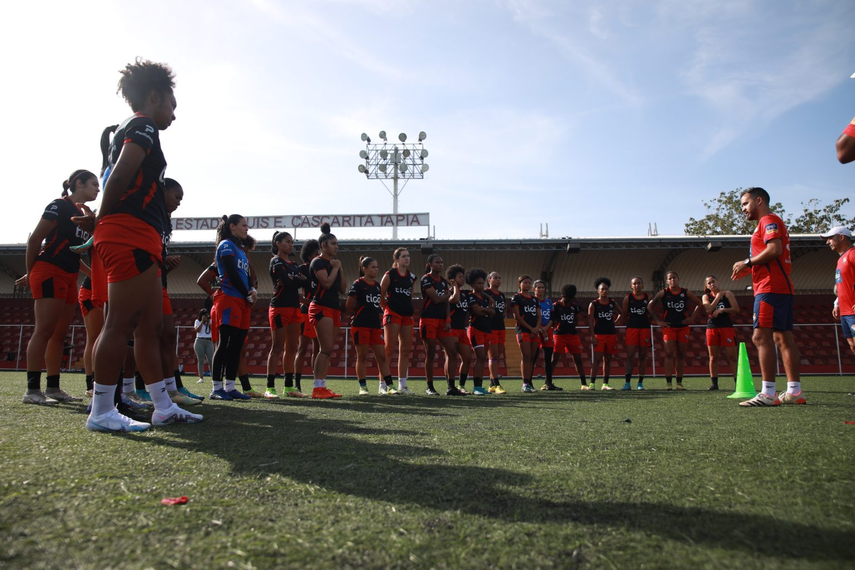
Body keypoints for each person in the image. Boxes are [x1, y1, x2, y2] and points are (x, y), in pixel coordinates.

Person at [78, 59, 201, 431]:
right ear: (153, 96)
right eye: (172, 105)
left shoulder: (133, 128)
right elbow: (123, 171)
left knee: (148, 329)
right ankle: (100, 411)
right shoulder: (143, 125)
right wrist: (101, 218)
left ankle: (162, 406)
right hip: (128, 232)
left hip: (139, 234)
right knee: (117, 326)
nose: (174, 115)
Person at [23, 169, 98, 405]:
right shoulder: (60, 205)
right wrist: (31, 271)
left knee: (58, 335)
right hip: (49, 271)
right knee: (44, 330)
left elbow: (74, 256)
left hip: (68, 276)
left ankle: (53, 388)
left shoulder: (84, 215)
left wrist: (96, 275)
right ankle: (32, 391)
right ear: (78, 183)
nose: (98, 188)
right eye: (93, 184)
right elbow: (35, 239)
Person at [731, 187, 804, 406]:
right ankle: (794, 391)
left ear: (759, 200)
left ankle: (768, 393)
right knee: (783, 338)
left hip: (769, 289)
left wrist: (748, 262)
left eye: (745, 204)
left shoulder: (768, 221)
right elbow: (771, 255)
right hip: (780, 287)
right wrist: (748, 267)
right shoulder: (769, 222)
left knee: (761, 338)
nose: (743, 209)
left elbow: (775, 249)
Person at [210, 214, 256, 401]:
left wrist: (251, 289)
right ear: (232, 226)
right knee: (225, 344)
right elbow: (231, 273)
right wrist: (247, 291)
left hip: (242, 301)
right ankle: (216, 388)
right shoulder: (226, 245)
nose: (247, 228)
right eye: (243, 225)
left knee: (237, 346)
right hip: (229, 298)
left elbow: (244, 275)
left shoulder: (240, 250)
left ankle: (230, 386)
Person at [265, 230, 307, 399]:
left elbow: (304, 281)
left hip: (294, 308)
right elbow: (291, 282)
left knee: (292, 347)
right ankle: (270, 387)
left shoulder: (293, 264)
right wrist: (298, 280)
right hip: (279, 307)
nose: (291, 244)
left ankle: (289, 387)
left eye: (292, 242)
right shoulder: (275, 261)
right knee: (277, 347)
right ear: (278, 243)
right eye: (287, 241)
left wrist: (297, 280)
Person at [346, 256, 395, 395]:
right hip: (360, 325)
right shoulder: (358, 284)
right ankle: (363, 387)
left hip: (375, 326)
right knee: (362, 356)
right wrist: (357, 313)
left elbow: (380, 303)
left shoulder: (378, 285)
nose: (376, 269)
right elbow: (349, 305)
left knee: (382, 357)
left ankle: (390, 386)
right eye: (373, 267)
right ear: (365, 269)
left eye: (377, 267)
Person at [648, 271, 702, 390]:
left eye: (674, 277)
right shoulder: (664, 293)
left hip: (683, 327)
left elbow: (699, 303)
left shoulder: (685, 292)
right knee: (668, 353)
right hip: (669, 327)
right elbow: (650, 305)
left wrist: (692, 318)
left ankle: (679, 382)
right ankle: (668, 383)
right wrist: (658, 321)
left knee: (681, 354)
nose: (672, 280)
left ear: (678, 279)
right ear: (667, 281)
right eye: (670, 278)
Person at [308, 223, 345, 399]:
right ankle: (317, 388)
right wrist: (336, 268)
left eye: (337, 244)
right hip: (321, 307)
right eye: (333, 244)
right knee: (325, 348)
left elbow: (343, 288)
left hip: (334, 308)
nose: (336, 247)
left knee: (328, 350)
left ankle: (322, 386)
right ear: (323, 245)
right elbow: (327, 283)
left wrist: (340, 268)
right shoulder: (317, 262)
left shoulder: (334, 264)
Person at [419, 254, 458, 396]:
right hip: (429, 319)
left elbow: (446, 302)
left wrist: (448, 319)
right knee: (430, 353)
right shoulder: (426, 279)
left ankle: (451, 387)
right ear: (429, 264)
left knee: (452, 351)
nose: (440, 264)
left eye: (441, 262)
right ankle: (430, 387)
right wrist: (451, 293)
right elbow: (436, 299)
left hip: (442, 321)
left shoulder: (443, 281)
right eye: (437, 262)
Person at [380, 247, 417, 394]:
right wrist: (386, 308)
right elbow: (381, 295)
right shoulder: (390, 274)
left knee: (405, 350)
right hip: (392, 314)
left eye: (408, 256)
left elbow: (410, 296)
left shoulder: (412, 277)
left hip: (407, 315)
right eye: (403, 256)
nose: (407, 258)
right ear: (397, 259)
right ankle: (383, 384)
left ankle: (402, 385)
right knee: (389, 349)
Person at [290, 239, 320, 397]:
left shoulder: (320, 267)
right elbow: (292, 287)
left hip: (320, 312)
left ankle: (318, 383)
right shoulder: (302, 268)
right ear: (309, 254)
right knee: (302, 348)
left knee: (318, 349)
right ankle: (297, 383)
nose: (319, 255)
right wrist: (302, 300)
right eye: (316, 253)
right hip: (305, 311)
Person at [822, 227, 855, 366]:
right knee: (853, 346)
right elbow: (843, 285)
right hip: (845, 312)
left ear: (841, 237)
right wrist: (837, 303)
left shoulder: (853, 254)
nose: (828, 242)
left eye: (830, 238)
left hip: (853, 310)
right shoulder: (840, 260)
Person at [702, 275, 740, 391]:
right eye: (709, 283)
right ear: (706, 286)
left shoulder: (727, 293)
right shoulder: (706, 296)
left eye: (713, 281)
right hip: (712, 327)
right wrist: (717, 298)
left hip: (726, 327)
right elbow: (708, 309)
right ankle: (714, 383)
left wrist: (722, 310)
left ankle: (738, 382)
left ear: (718, 281)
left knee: (732, 356)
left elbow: (736, 309)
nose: (712, 284)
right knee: (713, 357)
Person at [550, 285, 589, 389]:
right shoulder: (555, 306)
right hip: (559, 335)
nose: (569, 301)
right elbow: (552, 321)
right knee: (554, 359)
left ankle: (584, 384)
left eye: (571, 299)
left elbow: (576, 319)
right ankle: (547, 382)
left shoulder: (574, 305)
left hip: (572, 335)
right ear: (562, 295)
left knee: (578, 359)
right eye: (567, 298)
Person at [588, 277, 623, 390]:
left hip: (611, 334)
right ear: (598, 291)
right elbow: (590, 321)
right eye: (602, 289)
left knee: (608, 359)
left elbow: (621, 313)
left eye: (606, 289)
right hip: (599, 334)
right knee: (597, 359)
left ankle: (605, 384)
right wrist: (593, 336)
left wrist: (615, 322)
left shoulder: (612, 303)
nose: (604, 291)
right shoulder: (594, 304)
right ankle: (592, 384)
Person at [466, 268, 496, 395]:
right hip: (475, 329)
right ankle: (476, 387)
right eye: (478, 283)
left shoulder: (484, 298)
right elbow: (476, 311)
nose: (481, 285)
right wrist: (487, 310)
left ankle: (480, 386)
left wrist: (485, 309)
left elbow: (493, 312)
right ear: (472, 284)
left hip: (487, 330)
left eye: (482, 283)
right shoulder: (470, 296)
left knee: (482, 358)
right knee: (480, 357)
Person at [510, 275, 542, 393]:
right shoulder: (517, 298)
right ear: (520, 284)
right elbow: (517, 316)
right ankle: (525, 383)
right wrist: (530, 328)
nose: (528, 284)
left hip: (534, 331)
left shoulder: (534, 299)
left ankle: (529, 383)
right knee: (526, 355)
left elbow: (539, 316)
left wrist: (536, 328)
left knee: (532, 358)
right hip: (522, 330)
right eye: (525, 282)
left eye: (529, 282)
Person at [622, 277, 651, 390]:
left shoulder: (648, 298)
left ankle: (640, 383)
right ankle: (627, 383)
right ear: (631, 286)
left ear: (642, 285)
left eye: (639, 283)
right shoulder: (628, 298)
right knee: (630, 356)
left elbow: (651, 312)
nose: (637, 285)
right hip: (632, 328)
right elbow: (625, 315)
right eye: (634, 284)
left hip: (644, 328)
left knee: (643, 356)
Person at [446, 264, 471, 395]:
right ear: (452, 279)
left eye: (463, 276)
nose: (463, 279)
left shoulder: (466, 294)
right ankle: (450, 386)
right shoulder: (448, 292)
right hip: (451, 329)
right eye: (460, 277)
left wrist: (489, 297)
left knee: (467, 358)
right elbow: (455, 300)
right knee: (451, 357)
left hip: (462, 329)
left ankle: (461, 385)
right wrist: (454, 286)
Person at [533, 279, 559, 390]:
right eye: (538, 287)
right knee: (533, 358)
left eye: (542, 287)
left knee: (548, 358)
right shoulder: (532, 301)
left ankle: (548, 383)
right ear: (534, 289)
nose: (540, 289)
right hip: (535, 331)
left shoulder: (548, 302)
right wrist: (539, 328)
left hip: (547, 330)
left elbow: (553, 318)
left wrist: (546, 328)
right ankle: (528, 383)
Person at [484, 271, 508, 392]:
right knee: (492, 356)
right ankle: (496, 383)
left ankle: (491, 385)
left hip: (501, 327)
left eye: (499, 278)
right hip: (490, 328)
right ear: (489, 280)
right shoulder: (485, 293)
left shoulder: (502, 295)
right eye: (495, 278)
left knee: (497, 356)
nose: (498, 280)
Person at [193, 308, 214, 382]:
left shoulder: (210, 321)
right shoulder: (197, 321)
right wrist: (202, 322)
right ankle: (201, 377)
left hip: (209, 341)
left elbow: (213, 330)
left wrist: (208, 322)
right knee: (201, 360)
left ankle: (213, 377)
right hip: (199, 341)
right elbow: (197, 330)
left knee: (211, 359)